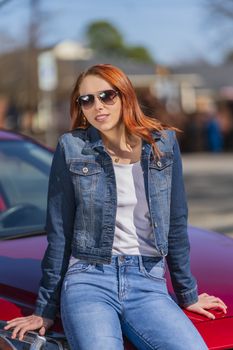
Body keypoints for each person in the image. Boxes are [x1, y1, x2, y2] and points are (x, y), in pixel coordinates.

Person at [5, 64, 227, 350]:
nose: (97, 105)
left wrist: (188, 294)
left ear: (125, 96)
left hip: (148, 282)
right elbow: (59, 231)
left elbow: (176, 221)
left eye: (106, 96)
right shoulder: (72, 147)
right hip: (89, 280)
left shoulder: (163, 144)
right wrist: (45, 310)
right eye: (86, 99)